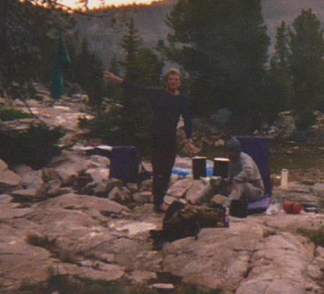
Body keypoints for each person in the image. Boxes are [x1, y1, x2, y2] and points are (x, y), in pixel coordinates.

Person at [104, 68, 195, 212]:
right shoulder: (158, 94)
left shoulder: (182, 99)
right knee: (158, 168)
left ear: (180, 82)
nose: (173, 81)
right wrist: (118, 80)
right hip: (156, 136)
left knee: (167, 169)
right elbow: (138, 90)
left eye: (176, 79)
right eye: (170, 79)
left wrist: (189, 139)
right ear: (166, 81)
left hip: (170, 138)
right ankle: (158, 202)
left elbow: (188, 119)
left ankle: (160, 200)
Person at [200, 137, 264, 208]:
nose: (228, 154)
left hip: (254, 189)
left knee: (240, 185)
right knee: (214, 183)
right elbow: (229, 176)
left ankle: (226, 207)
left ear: (236, 151)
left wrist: (234, 180)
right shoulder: (230, 160)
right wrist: (222, 181)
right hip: (236, 188)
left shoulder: (245, 158)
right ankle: (200, 201)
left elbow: (248, 172)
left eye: (230, 152)